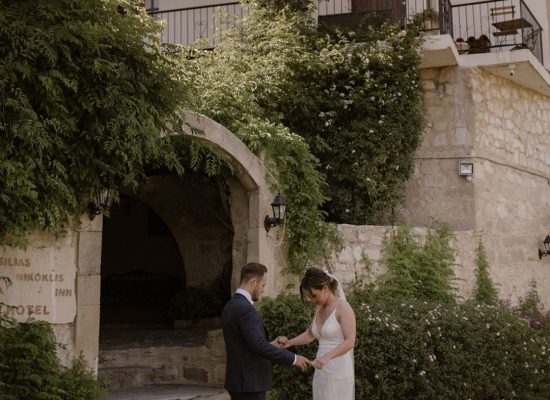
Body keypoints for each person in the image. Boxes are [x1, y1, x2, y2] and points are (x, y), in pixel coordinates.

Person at [222, 262, 310, 400]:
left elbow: (247, 344)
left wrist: (272, 344)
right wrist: (293, 359)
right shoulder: (245, 309)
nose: (263, 290)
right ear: (253, 282)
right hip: (250, 383)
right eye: (262, 285)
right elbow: (258, 346)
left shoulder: (231, 305)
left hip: (239, 382)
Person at [277, 267, 356, 400]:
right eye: (309, 297)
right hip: (321, 370)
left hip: (338, 369)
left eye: (314, 295)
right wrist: (290, 342)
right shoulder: (319, 309)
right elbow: (310, 334)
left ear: (325, 287)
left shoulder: (343, 308)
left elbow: (350, 341)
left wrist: (327, 357)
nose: (313, 300)